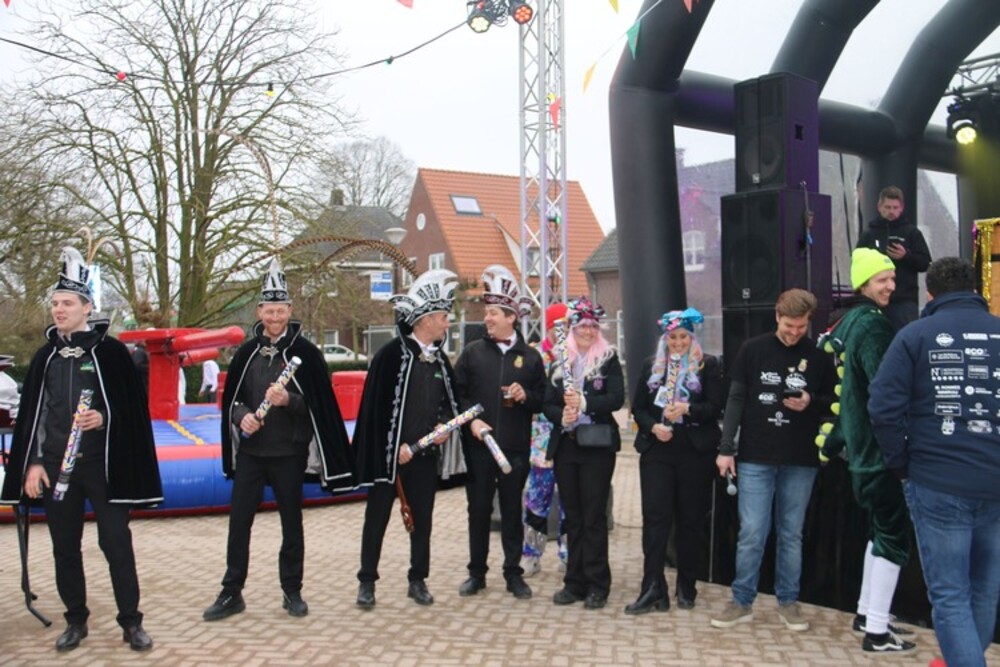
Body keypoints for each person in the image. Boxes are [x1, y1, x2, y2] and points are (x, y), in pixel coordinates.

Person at [0, 246, 162, 652]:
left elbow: (132, 410)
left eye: (67, 303)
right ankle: (76, 620)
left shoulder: (111, 353)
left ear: (86, 307)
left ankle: (131, 622)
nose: (59, 310)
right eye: (55, 303)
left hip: (102, 467)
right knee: (64, 546)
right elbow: (34, 416)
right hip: (56, 468)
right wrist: (34, 463)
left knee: (116, 543)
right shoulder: (45, 357)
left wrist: (103, 418)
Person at [203, 258, 355, 622]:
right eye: (269, 311)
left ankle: (292, 590)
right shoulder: (245, 354)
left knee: (291, 523)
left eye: (280, 310)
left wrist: (289, 400)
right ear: (259, 311)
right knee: (239, 522)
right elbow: (233, 401)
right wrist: (242, 417)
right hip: (252, 453)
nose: (274, 317)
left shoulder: (307, 355)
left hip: (289, 452)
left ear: (289, 310)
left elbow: (319, 406)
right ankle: (231, 591)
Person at [869, 257, 1000, 665]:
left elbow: (882, 407)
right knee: (984, 590)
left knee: (950, 595)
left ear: (930, 293)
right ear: (975, 289)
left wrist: (900, 463)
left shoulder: (915, 335)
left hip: (937, 481)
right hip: (993, 481)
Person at [710, 288, 835, 632]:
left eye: (801, 327)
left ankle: (788, 601)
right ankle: (741, 601)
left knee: (791, 533)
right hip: (756, 456)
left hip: (801, 458)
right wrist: (726, 448)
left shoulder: (819, 356)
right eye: (789, 325)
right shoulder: (752, 350)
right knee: (752, 531)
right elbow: (735, 399)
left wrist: (810, 400)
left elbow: (833, 401)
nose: (794, 333)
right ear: (777, 316)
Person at [814, 247, 914, 653]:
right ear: (863, 284)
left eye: (892, 278)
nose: (891, 286)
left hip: (863, 453)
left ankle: (868, 612)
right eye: (882, 279)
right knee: (892, 537)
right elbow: (886, 389)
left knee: (879, 532)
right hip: (879, 453)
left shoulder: (854, 321)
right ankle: (877, 632)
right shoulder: (873, 325)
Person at [354, 269, 461, 609]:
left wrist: (445, 426)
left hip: (424, 457)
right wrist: (395, 445)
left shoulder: (440, 360)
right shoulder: (390, 355)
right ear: (426, 319)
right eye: (443, 318)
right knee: (377, 519)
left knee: (423, 521)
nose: (447, 324)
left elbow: (450, 402)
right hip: (390, 458)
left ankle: (418, 580)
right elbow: (375, 409)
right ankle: (366, 582)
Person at [453, 265, 546, 600]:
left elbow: (543, 400)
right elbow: (457, 395)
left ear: (511, 317)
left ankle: (513, 573)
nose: (487, 318)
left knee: (511, 511)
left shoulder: (531, 357)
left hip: (514, 449)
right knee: (478, 510)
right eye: (486, 312)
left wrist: (526, 396)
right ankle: (476, 573)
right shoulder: (472, 353)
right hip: (479, 448)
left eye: (493, 312)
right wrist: (471, 422)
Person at [626, 307, 723, 614]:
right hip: (658, 452)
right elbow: (638, 408)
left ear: (692, 337)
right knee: (655, 520)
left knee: (690, 521)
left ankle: (687, 585)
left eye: (683, 337)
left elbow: (716, 407)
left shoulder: (708, 365)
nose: (678, 343)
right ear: (665, 339)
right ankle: (653, 587)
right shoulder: (651, 366)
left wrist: (688, 409)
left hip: (694, 452)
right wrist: (653, 427)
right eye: (673, 338)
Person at [542, 296, 624, 610]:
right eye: (581, 326)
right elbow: (547, 403)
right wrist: (561, 415)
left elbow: (617, 397)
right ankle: (574, 582)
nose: (588, 331)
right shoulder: (559, 360)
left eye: (592, 326)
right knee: (572, 517)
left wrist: (586, 403)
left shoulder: (608, 358)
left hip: (597, 447)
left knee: (593, 516)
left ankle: (597, 584)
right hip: (566, 446)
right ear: (571, 329)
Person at [521, 302, 570, 578]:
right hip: (541, 442)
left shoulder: (576, 354)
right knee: (538, 500)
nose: (564, 331)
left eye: (568, 325)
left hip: (569, 439)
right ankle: (531, 554)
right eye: (559, 326)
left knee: (569, 501)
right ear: (549, 327)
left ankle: (569, 554)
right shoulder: (535, 356)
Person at [856, 186, 931, 331]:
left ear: (901, 208)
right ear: (879, 207)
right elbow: (857, 262)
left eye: (895, 208)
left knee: (905, 338)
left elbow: (925, 263)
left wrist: (906, 256)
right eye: (887, 207)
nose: (891, 211)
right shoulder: (869, 234)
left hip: (903, 301)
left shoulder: (912, 233)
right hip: (874, 300)